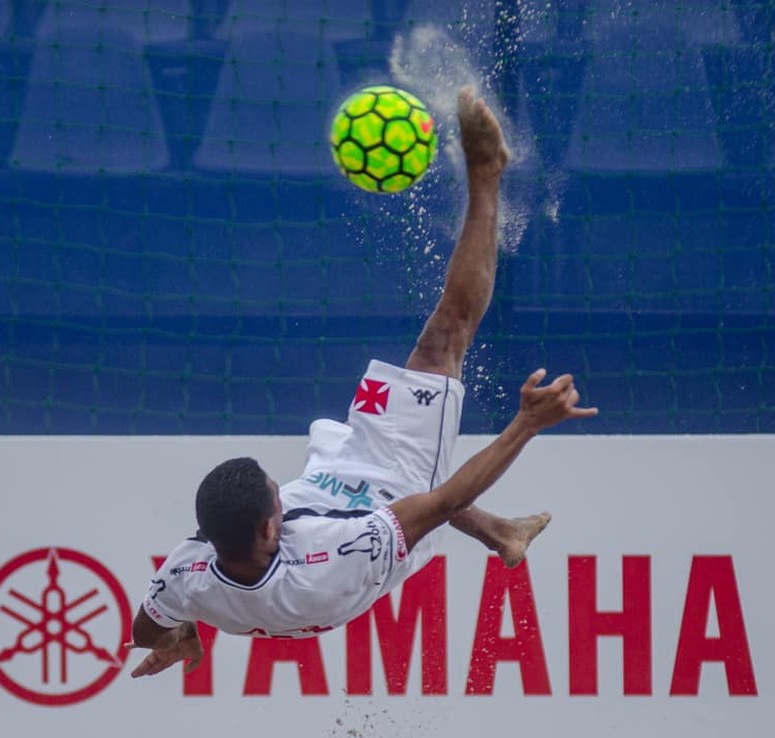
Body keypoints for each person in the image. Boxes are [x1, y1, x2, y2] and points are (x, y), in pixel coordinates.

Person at [127, 86, 597, 679]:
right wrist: (527, 424)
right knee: (443, 339)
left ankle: (501, 532)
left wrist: (180, 636)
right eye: (275, 494)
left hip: (326, 492)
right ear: (272, 526)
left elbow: (144, 626)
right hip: (374, 501)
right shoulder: (337, 563)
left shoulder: (189, 572)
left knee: (335, 438)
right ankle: (488, 170)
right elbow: (443, 500)